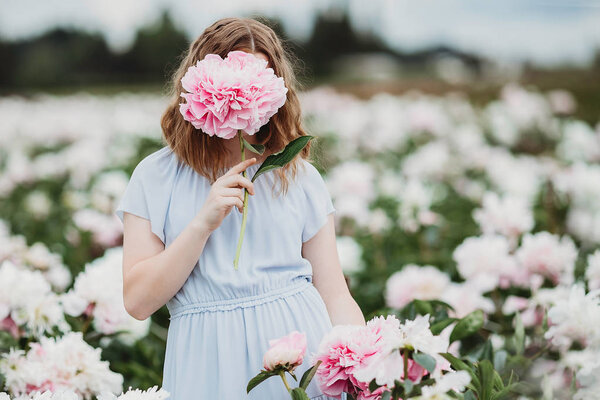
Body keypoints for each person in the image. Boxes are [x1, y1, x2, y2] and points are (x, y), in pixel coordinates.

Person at [114, 16, 365, 399]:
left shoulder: (297, 175)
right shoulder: (155, 176)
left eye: (258, 82)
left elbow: (334, 293)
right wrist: (202, 224)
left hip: (298, 360)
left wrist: (362, 366)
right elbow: (137, 302)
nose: (244, 96)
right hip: (207, 365)